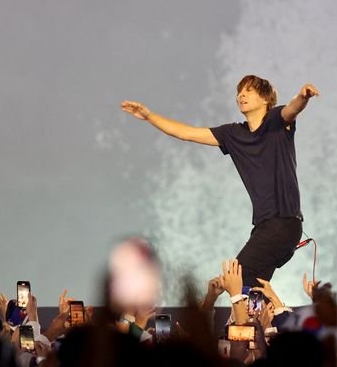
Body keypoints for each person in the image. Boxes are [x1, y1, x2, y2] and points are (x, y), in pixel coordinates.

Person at [121, 75, 319, 286]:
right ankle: (273, 316)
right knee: (253, 288)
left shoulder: (276, 122)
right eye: (239, 92)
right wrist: (149, 116)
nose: (241, 95)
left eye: (249, 91)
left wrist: (302, 96)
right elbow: (185, 133)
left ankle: (269, 314)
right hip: (264, 226)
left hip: (284, 223)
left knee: (237, 278)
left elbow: (292, 109)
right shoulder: (232, 134)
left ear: (265, 100)